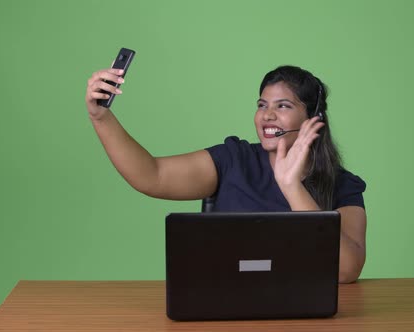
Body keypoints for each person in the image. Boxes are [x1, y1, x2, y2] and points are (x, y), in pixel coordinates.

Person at [85, 65, 367, 283]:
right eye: (261, 105)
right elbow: (151, 175)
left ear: (312, 119)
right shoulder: (233, 159)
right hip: (226, 304)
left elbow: (345, 270)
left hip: (304, 313)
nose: (267, 115)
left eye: (283, 106)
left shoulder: (343, 184)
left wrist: (291, 185)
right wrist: (101, 118)